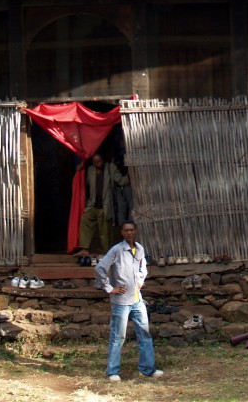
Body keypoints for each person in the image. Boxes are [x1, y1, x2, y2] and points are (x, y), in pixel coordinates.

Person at [94, 221, 163, 382]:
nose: (129, 233)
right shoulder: (116, 250)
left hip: (137, 299)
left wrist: (140, 280)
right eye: (126, 230)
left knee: (144, 334)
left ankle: (147, 369)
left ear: (135, 231)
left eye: (131, 230)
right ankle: (112, 371)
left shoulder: (139, 249)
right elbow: (100, 268)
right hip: (121, 301)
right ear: (122, 232)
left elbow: (143, 268)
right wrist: (110, 288)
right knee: (118, 336)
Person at [72, 152, 129, 255]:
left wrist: (130, 172)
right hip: (92, 206)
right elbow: (84, 183)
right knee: (85, 220)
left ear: (103, 160)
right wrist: (79, 170)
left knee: (105, 234)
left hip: (105, 207)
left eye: (100, 161)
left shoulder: (110, 168)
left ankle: (107, 253)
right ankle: (84, 248)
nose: (98, 164)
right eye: (96, 162)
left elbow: (121, 181)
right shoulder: (90, 170)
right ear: (93, 162)